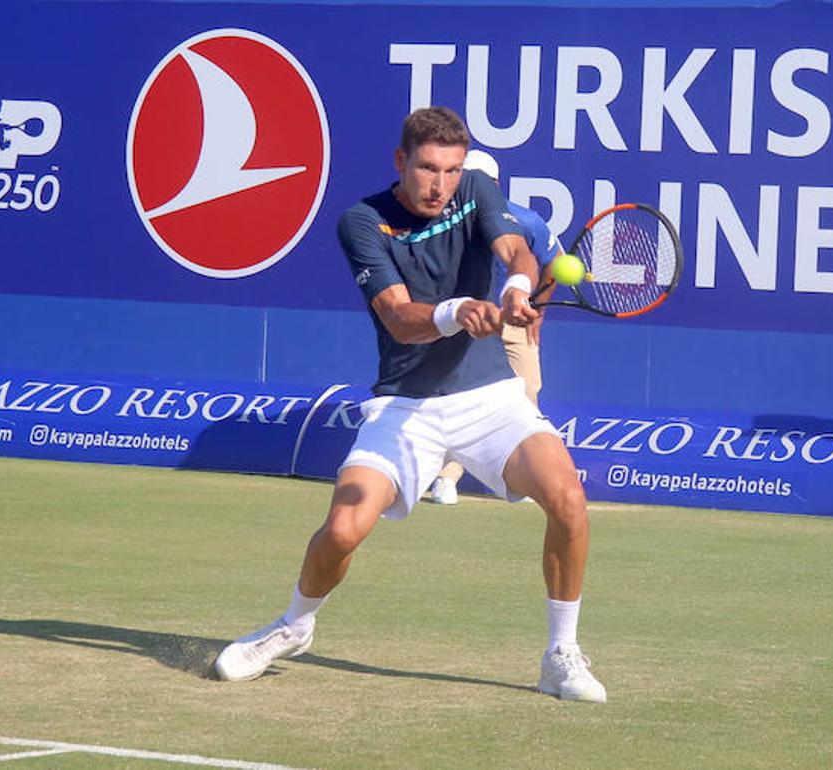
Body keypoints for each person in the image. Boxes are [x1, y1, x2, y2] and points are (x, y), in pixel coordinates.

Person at [213, 107, 605, 702]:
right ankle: (293, 626)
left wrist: (517, 288)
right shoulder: (363, 222)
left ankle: (560, 655)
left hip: (491, 398)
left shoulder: (475, 190)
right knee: (343, 528)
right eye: (427, 168)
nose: (439, 185)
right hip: (406, 408)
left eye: (450, 170)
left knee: (569, 499)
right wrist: (456, 312)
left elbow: (517, 251)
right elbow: (399, 320)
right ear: (402, 161)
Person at [428, 149, 562, 506]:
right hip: (469, 321)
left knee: (527, 391)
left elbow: (552, 265)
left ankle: (526, 476)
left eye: (480, 181)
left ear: (496, 185)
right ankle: (445, 478)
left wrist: (539, 312)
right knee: (463, 400)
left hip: (516, 319)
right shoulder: (443, 222)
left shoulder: (526, 220)